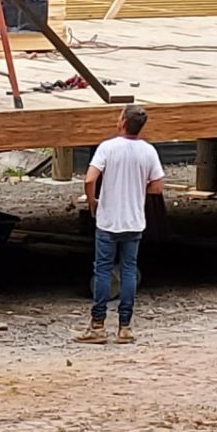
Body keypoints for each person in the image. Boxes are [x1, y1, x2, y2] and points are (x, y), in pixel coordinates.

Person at [74, 105, 164, 345]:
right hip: (134, 221)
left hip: (108, 220)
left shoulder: (107, 147)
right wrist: (138, 188)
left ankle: (98, 325)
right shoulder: (148, 151)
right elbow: (157, 187)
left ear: (123, 122)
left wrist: (93, 200)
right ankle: (125, 327)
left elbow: (90, 179)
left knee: (103, 270)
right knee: (128, 271)